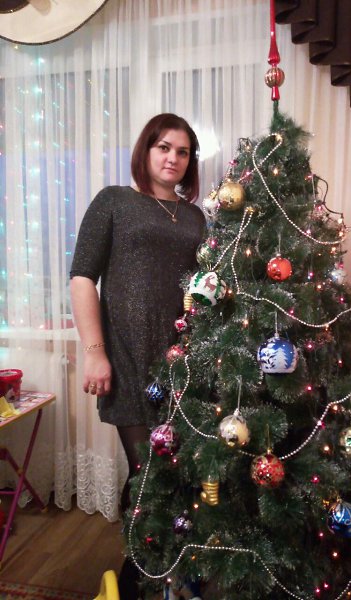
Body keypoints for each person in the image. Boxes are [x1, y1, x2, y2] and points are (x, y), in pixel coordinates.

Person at [70, 113, 206, 600]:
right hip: (127, 357)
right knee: (148, 469)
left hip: (183, 362)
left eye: (182, 151)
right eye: (163, 147)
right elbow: (82, 278)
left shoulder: (195, 217)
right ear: (145, 150)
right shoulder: (113, 201)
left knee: (181, 471)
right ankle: (138, 576)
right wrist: (94, 352)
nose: (173, 158)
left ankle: (172, 569)